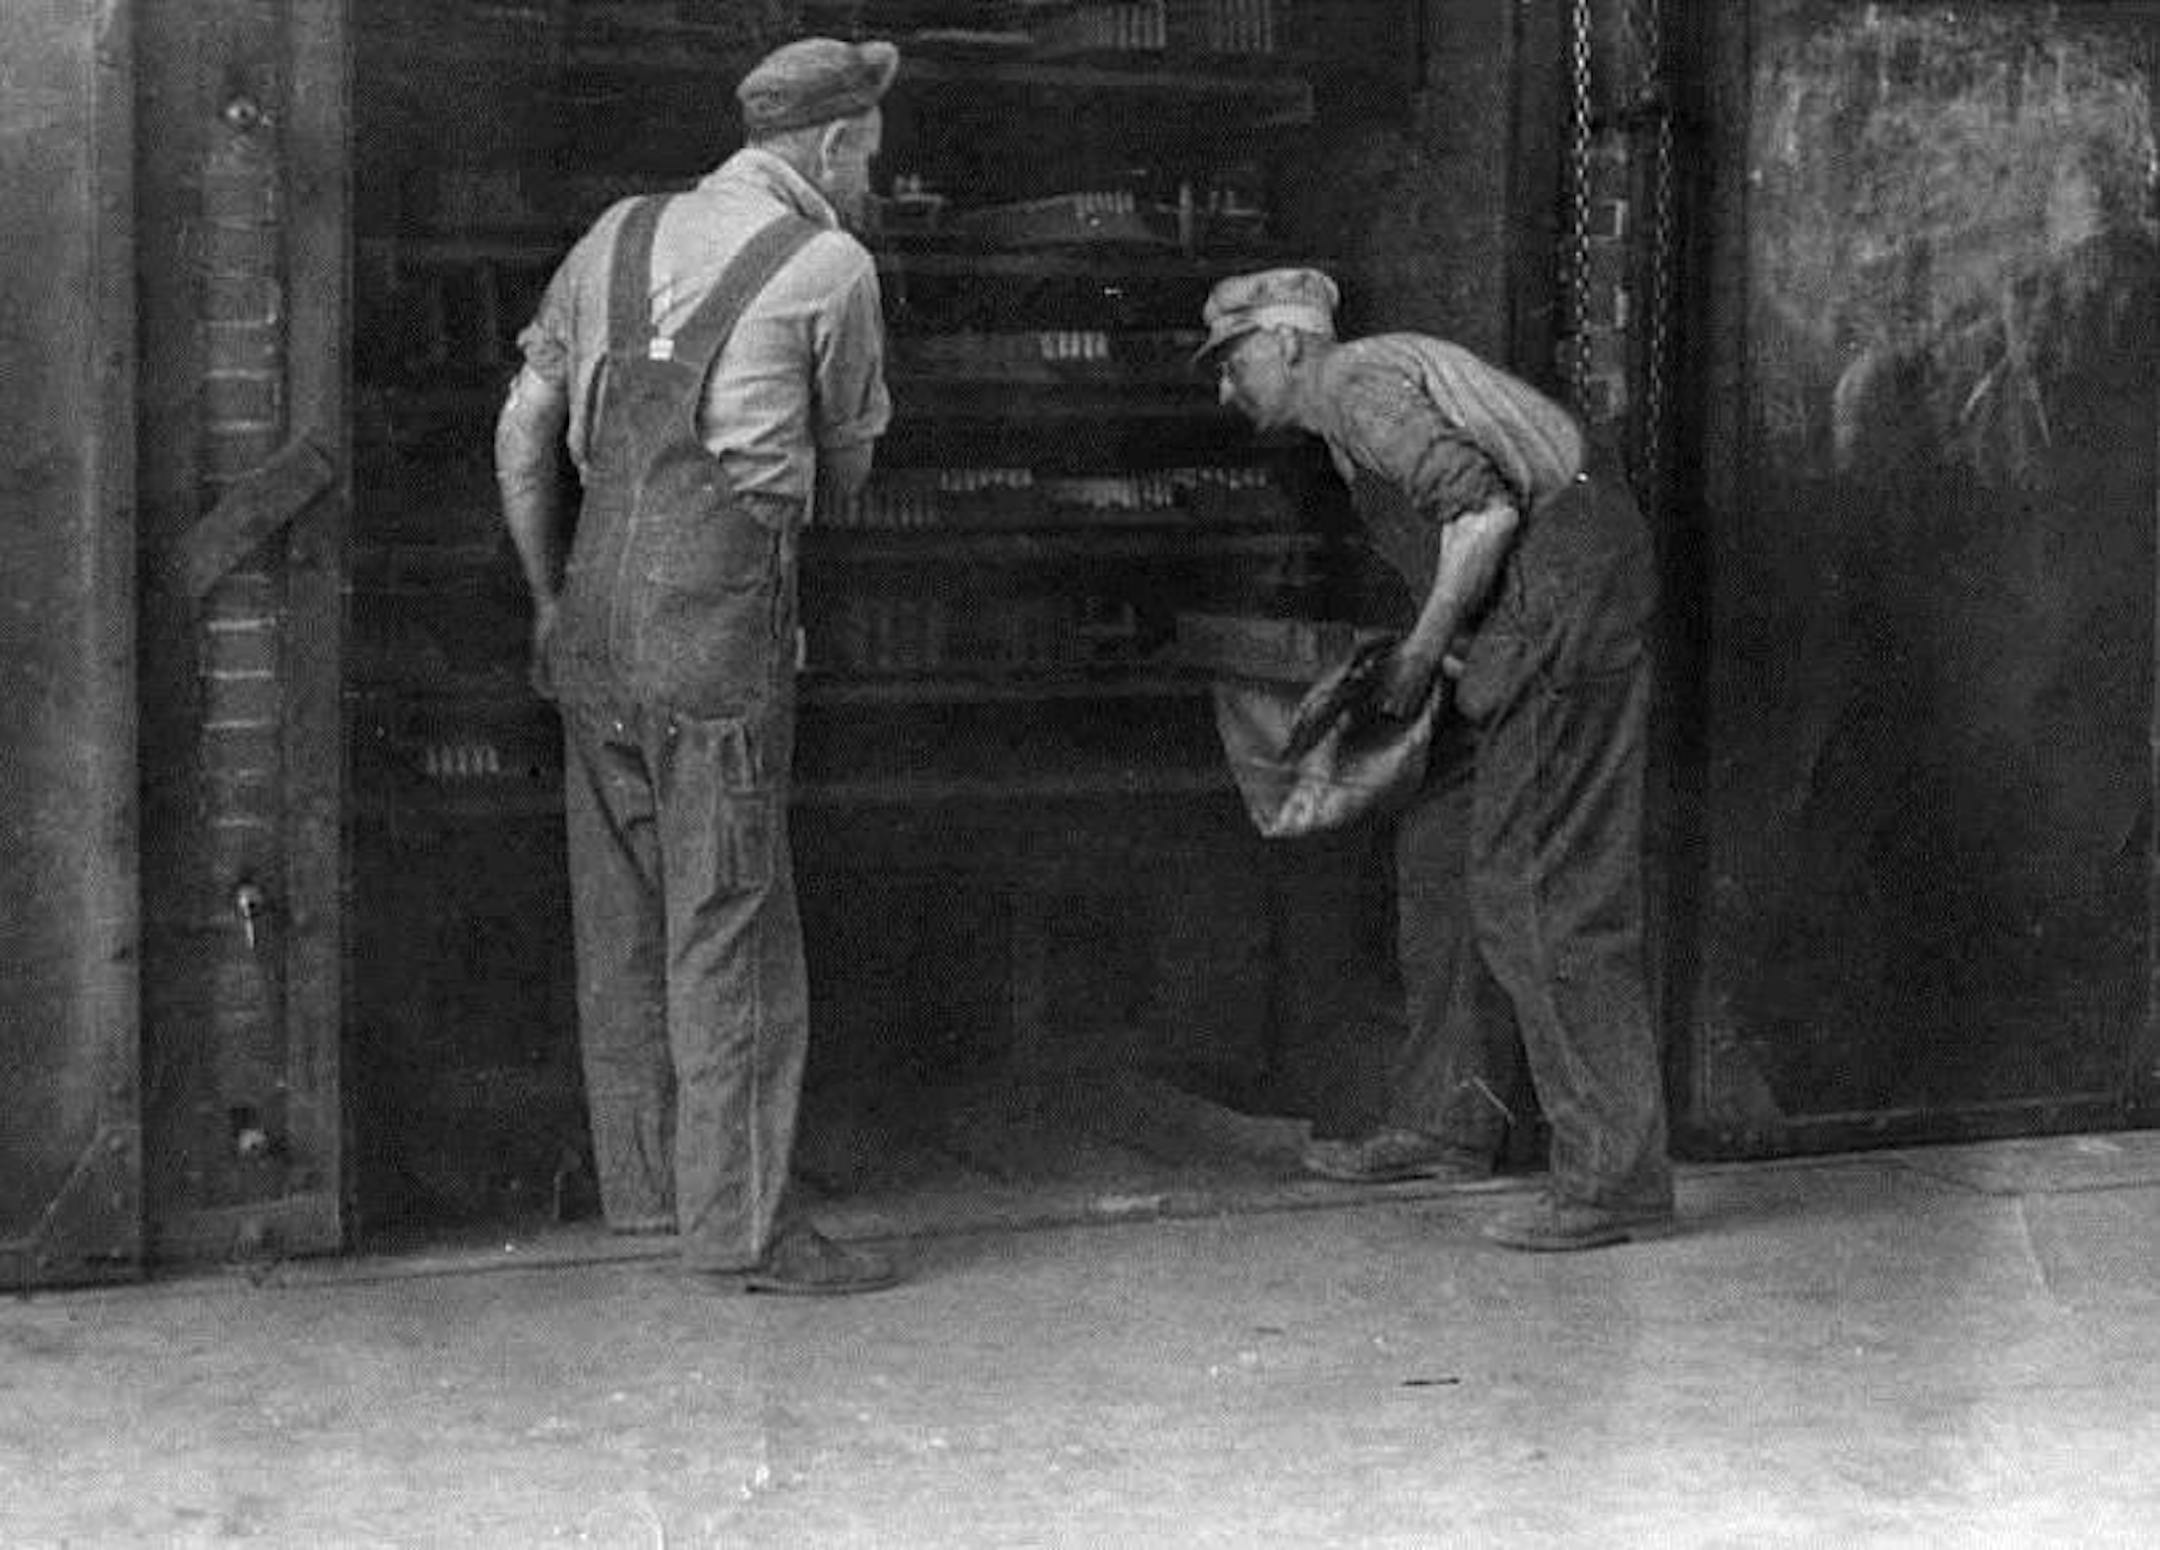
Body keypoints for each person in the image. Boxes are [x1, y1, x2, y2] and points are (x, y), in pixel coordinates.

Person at [493, 36, 901, 1292]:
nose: (876, 177)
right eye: (872, 156)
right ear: (830, 147)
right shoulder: (831, 264)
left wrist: (550, 599)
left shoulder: (616, 232)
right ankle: (745, 1234)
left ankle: (649, 1197)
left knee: (619, 916)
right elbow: (847, 475)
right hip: (713, 634)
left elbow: (522, 431)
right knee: (730, 930)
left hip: (595, 625)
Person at [1197, 268, 1674, 1250]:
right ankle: (1445, 1120)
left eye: (1232, 362)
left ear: (1289, 343)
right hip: (1529, 609)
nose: (1224, 390)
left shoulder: (1354, 384)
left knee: (1538, 888)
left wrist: (1418, 657)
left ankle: (1611, 1176)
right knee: (1440, 849)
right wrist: (1432, 649)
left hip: (1562, 604)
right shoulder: (1347, 419)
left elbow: (1488, 516)